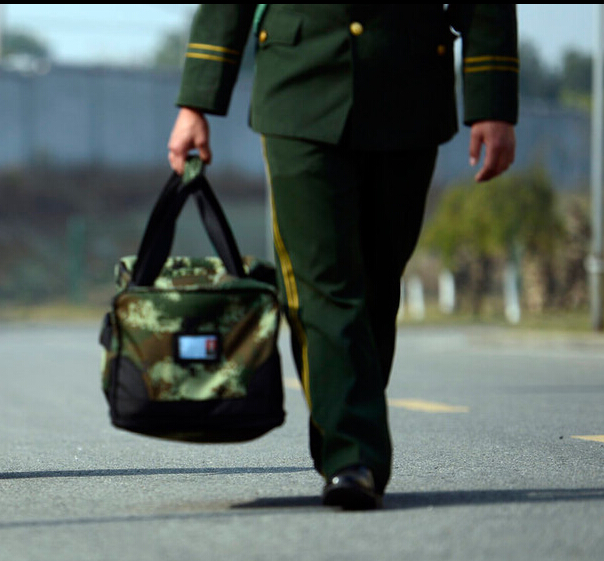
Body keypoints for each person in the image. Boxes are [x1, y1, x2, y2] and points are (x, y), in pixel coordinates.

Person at [167, 5, 518, 510]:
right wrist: (195, 103)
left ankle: (344, 434)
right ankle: (351, 456)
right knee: (323, 283)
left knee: (378, 282)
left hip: (408, 83)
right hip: (299, 85)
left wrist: (493, 100)